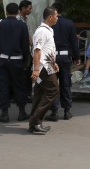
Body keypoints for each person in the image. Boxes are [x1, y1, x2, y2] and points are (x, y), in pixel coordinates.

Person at [0, 2, 31, 123]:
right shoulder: (22, 25)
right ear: (18, 12)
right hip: (17, 60)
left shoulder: (0, 24)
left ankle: (4, 113)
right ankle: (22, 112)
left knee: (3, 86)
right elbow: (25, 45)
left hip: (2, 60)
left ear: (6, 12)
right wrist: (26, 61)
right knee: (19, 86)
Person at [27, 7, 60, 135]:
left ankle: (34, 124)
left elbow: (47, 50)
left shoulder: (48, 30)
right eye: (56, 16)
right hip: (43, 69)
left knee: (39, 94)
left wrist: (54, 62)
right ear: (50, 17)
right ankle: (35, 120)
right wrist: (36, 70)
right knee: (53, 90)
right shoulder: (42, 31)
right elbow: (37, 50)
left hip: (48, 66)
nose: (57, 18)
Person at [48, 2, 79, 121]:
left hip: (51, 58)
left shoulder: (49, 24)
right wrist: (77, 57)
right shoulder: (69, 23)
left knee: (53, 84)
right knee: (65, 83)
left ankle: (54, 111)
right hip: (65, 57)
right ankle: (67, 111)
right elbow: (73, 42)